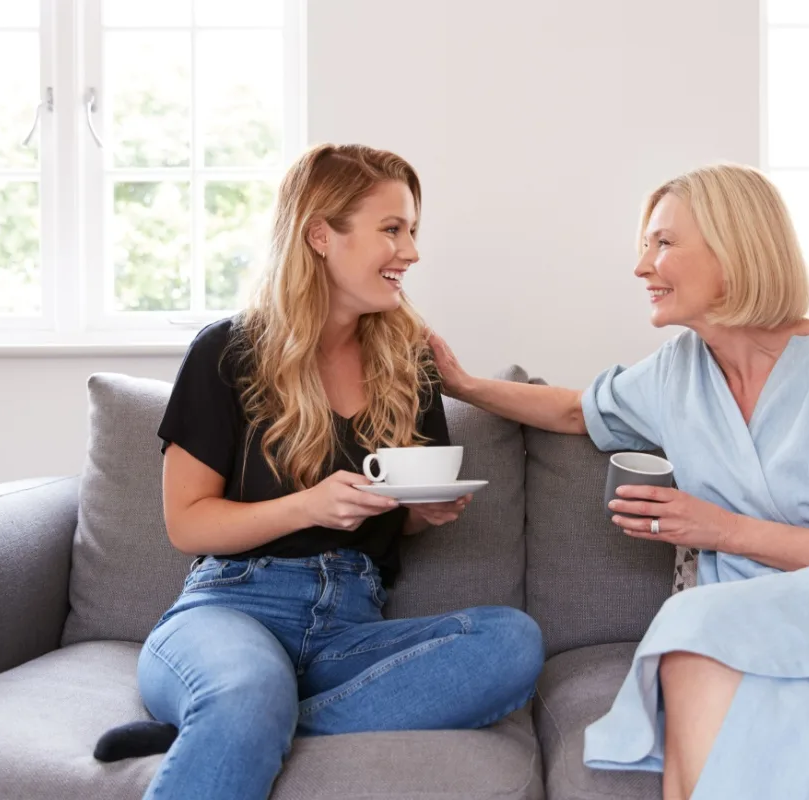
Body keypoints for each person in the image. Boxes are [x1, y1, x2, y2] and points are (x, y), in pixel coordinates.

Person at [428, 163, 809, 799]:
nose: (642, 265)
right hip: (763, 616)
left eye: (664, 243)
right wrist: (462, 384)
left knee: (693, 627)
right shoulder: (679, 370)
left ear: (734, 251)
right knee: (695, 635)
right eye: (644, 245)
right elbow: (575, 409)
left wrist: (721, 530)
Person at [94, 143, 545, 800]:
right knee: (248, 689)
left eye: (412, 230)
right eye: (392, 229)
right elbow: (188, 524)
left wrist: (419, 513)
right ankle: (239, 712)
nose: (411, 252)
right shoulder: (228, 351)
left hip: (348, 626)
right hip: (232, 609)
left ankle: (240, 726)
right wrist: (307, 506)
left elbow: (397, 523)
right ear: (320, 235)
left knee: (511, 641)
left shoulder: (405, 364)